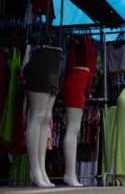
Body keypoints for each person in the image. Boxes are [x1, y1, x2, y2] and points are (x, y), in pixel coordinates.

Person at [24, 46, 63, 187]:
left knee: (46, 117)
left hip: (55, 64)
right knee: (38, 115)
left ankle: (41, 169)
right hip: (42, 62)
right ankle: (35, 169)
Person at [62, 66, 90, 186]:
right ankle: (69, 173)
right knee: (73, 128)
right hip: (76, 83)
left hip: (80, 83)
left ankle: (71, 173)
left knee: (74, 128)